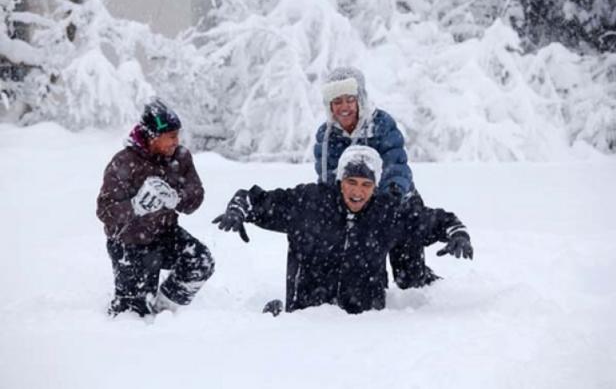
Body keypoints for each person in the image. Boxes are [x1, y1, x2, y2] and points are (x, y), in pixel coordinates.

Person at [213, 145, 472, 315]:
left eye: (366, 184)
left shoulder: (387, 214)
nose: (357, 192)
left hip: (363, 328)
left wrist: (456, 233)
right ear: (340, 181)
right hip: (305, 321)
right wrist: (239, 210)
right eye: (351, 182)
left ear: (375, 186)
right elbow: (254, 199)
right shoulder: (309, 201)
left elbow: (436, 220)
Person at [313, 66, 436, 290]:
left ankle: (426, 283)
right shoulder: (326, 136)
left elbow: (396, 164)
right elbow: (328, 177)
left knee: (409, 280)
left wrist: (391, 195)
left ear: (360, 99)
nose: (344, 107)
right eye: (337, 101)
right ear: (329, 106)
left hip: (398, 203)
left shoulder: (381, 124)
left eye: (349, 99)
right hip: (359, 209)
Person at [96, 98, 215, 317]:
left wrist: (176, 198)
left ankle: (164, 310)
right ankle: (125, 316)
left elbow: (196, 196)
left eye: (177, 135)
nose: (175, 142)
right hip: (129, 244)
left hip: (164, 235)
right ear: (152, 136)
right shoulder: (123, 163)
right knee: (132, 315)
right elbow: (104, 211)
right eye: (170, 136)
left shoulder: (181, 157)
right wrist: (135, 207)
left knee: (200, 262)